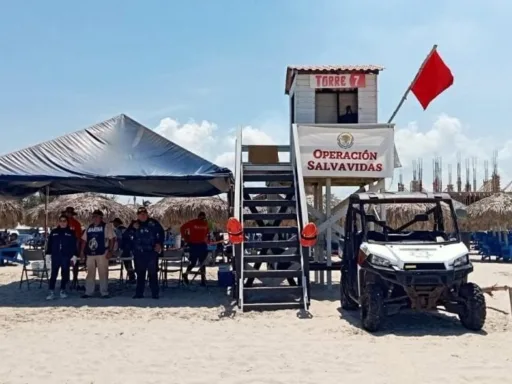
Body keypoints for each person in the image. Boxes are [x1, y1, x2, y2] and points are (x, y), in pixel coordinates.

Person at [80, 210, 116, 298]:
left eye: (96, 216)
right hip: (90, 253)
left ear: (101, 217)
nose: (94, 218)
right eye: (93, 216)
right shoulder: (89, 227)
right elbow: (84, 240)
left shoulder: (106, 227)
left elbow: (112, 239)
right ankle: (88, 292)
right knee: (90, 273)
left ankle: (104, 292)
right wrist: (81, 252)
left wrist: (111, 251)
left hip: (102, 252)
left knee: (103, 272)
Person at [132, 207, 164, 299]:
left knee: (153, 274)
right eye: (140, 214)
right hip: (139, 253)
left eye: (144, 213)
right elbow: (127, 235)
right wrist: (134, 229)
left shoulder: (153, 223)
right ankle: (139, 293)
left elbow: (161, 233)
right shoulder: (134, 224)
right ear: (137, 215)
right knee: (140, 274)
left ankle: (155, 293)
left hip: (151, 252)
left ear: (147, 214)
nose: (142, 215)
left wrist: (160, 244)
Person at [45, 215, 77, 300]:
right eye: (61, 221)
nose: (62, 222)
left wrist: (74, 255)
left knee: (65, 274)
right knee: (53, 274)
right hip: (55, 256)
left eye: (64, 221)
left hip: (66, 257)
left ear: (67, 222)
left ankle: (62, 290)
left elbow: (74, 245)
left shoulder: (71, 232)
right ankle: (51, 291)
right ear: (59, 222)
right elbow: (50, 244)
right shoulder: (54, 232)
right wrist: (48, 254)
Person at [180, 211, 210, 286]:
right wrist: (186, 238)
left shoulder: (206, 223)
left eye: (204, 217)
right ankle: (185, 275)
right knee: (193, 262)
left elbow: (207, 233)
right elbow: (182, 228)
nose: (202, 218)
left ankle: (203, 280)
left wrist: (206, 239)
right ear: (198, 217)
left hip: (202, 245)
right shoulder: (193, 222)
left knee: (203, 263)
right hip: (193, 245)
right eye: (201, 217)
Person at [63, 207, 83, 290]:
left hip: (73, 245)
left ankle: (75, 280)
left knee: (75, 265)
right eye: (67, 213)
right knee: (64, 264)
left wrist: (77, 248)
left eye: (70, 213)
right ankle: (65, 281)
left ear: (72, 214)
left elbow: (79, 237)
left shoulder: (76, 223)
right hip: (64, 246)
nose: (68, 214)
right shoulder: (62, 222)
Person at [111, 218, 135, 282]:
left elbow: (119, 239)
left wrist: (119, 248)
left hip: (124, 248)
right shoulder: (124, 228)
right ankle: (132, 276)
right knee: (128, 263)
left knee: (127, 263)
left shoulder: (119, 229)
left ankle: (132, 277)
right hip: (129, 247)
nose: (113, 224)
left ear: (117, 223)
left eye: (114, 223)